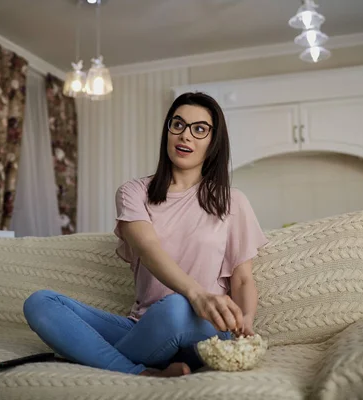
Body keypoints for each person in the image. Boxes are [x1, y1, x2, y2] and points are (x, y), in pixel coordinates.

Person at [23, 92, 268, 378]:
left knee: (178, 307)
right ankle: (140, 372)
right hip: (144, 328)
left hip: (206, 329)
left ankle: (96, 356)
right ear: (168, 131)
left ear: (213, 142)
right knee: (40, 303)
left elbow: (242, 278)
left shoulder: (232, 201)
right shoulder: (134, 192)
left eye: (199, 129)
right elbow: (149, 247)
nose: (185, 136)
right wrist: (196, 293)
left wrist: (246, 322)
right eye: (177, 125)